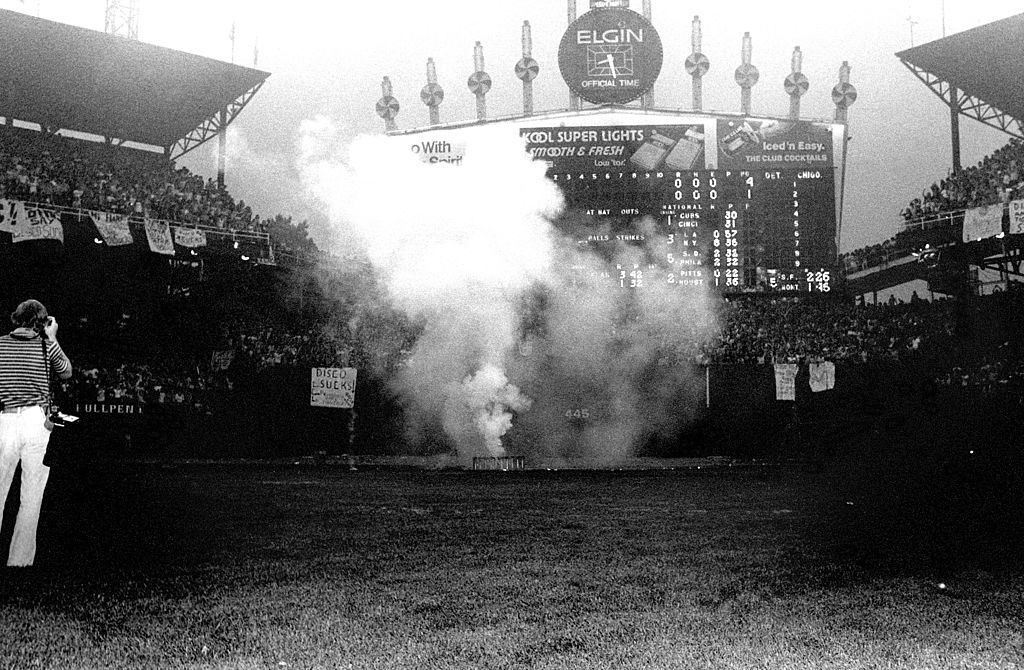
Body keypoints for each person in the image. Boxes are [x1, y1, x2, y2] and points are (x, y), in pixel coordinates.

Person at [0, 299, 72, 567]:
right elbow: (66, 372)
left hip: (5, 419)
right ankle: (19, 561)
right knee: (31, 495)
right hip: (35, 422)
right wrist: (52, 338)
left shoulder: (0, 345)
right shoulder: (45, 345)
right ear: (41, 322)